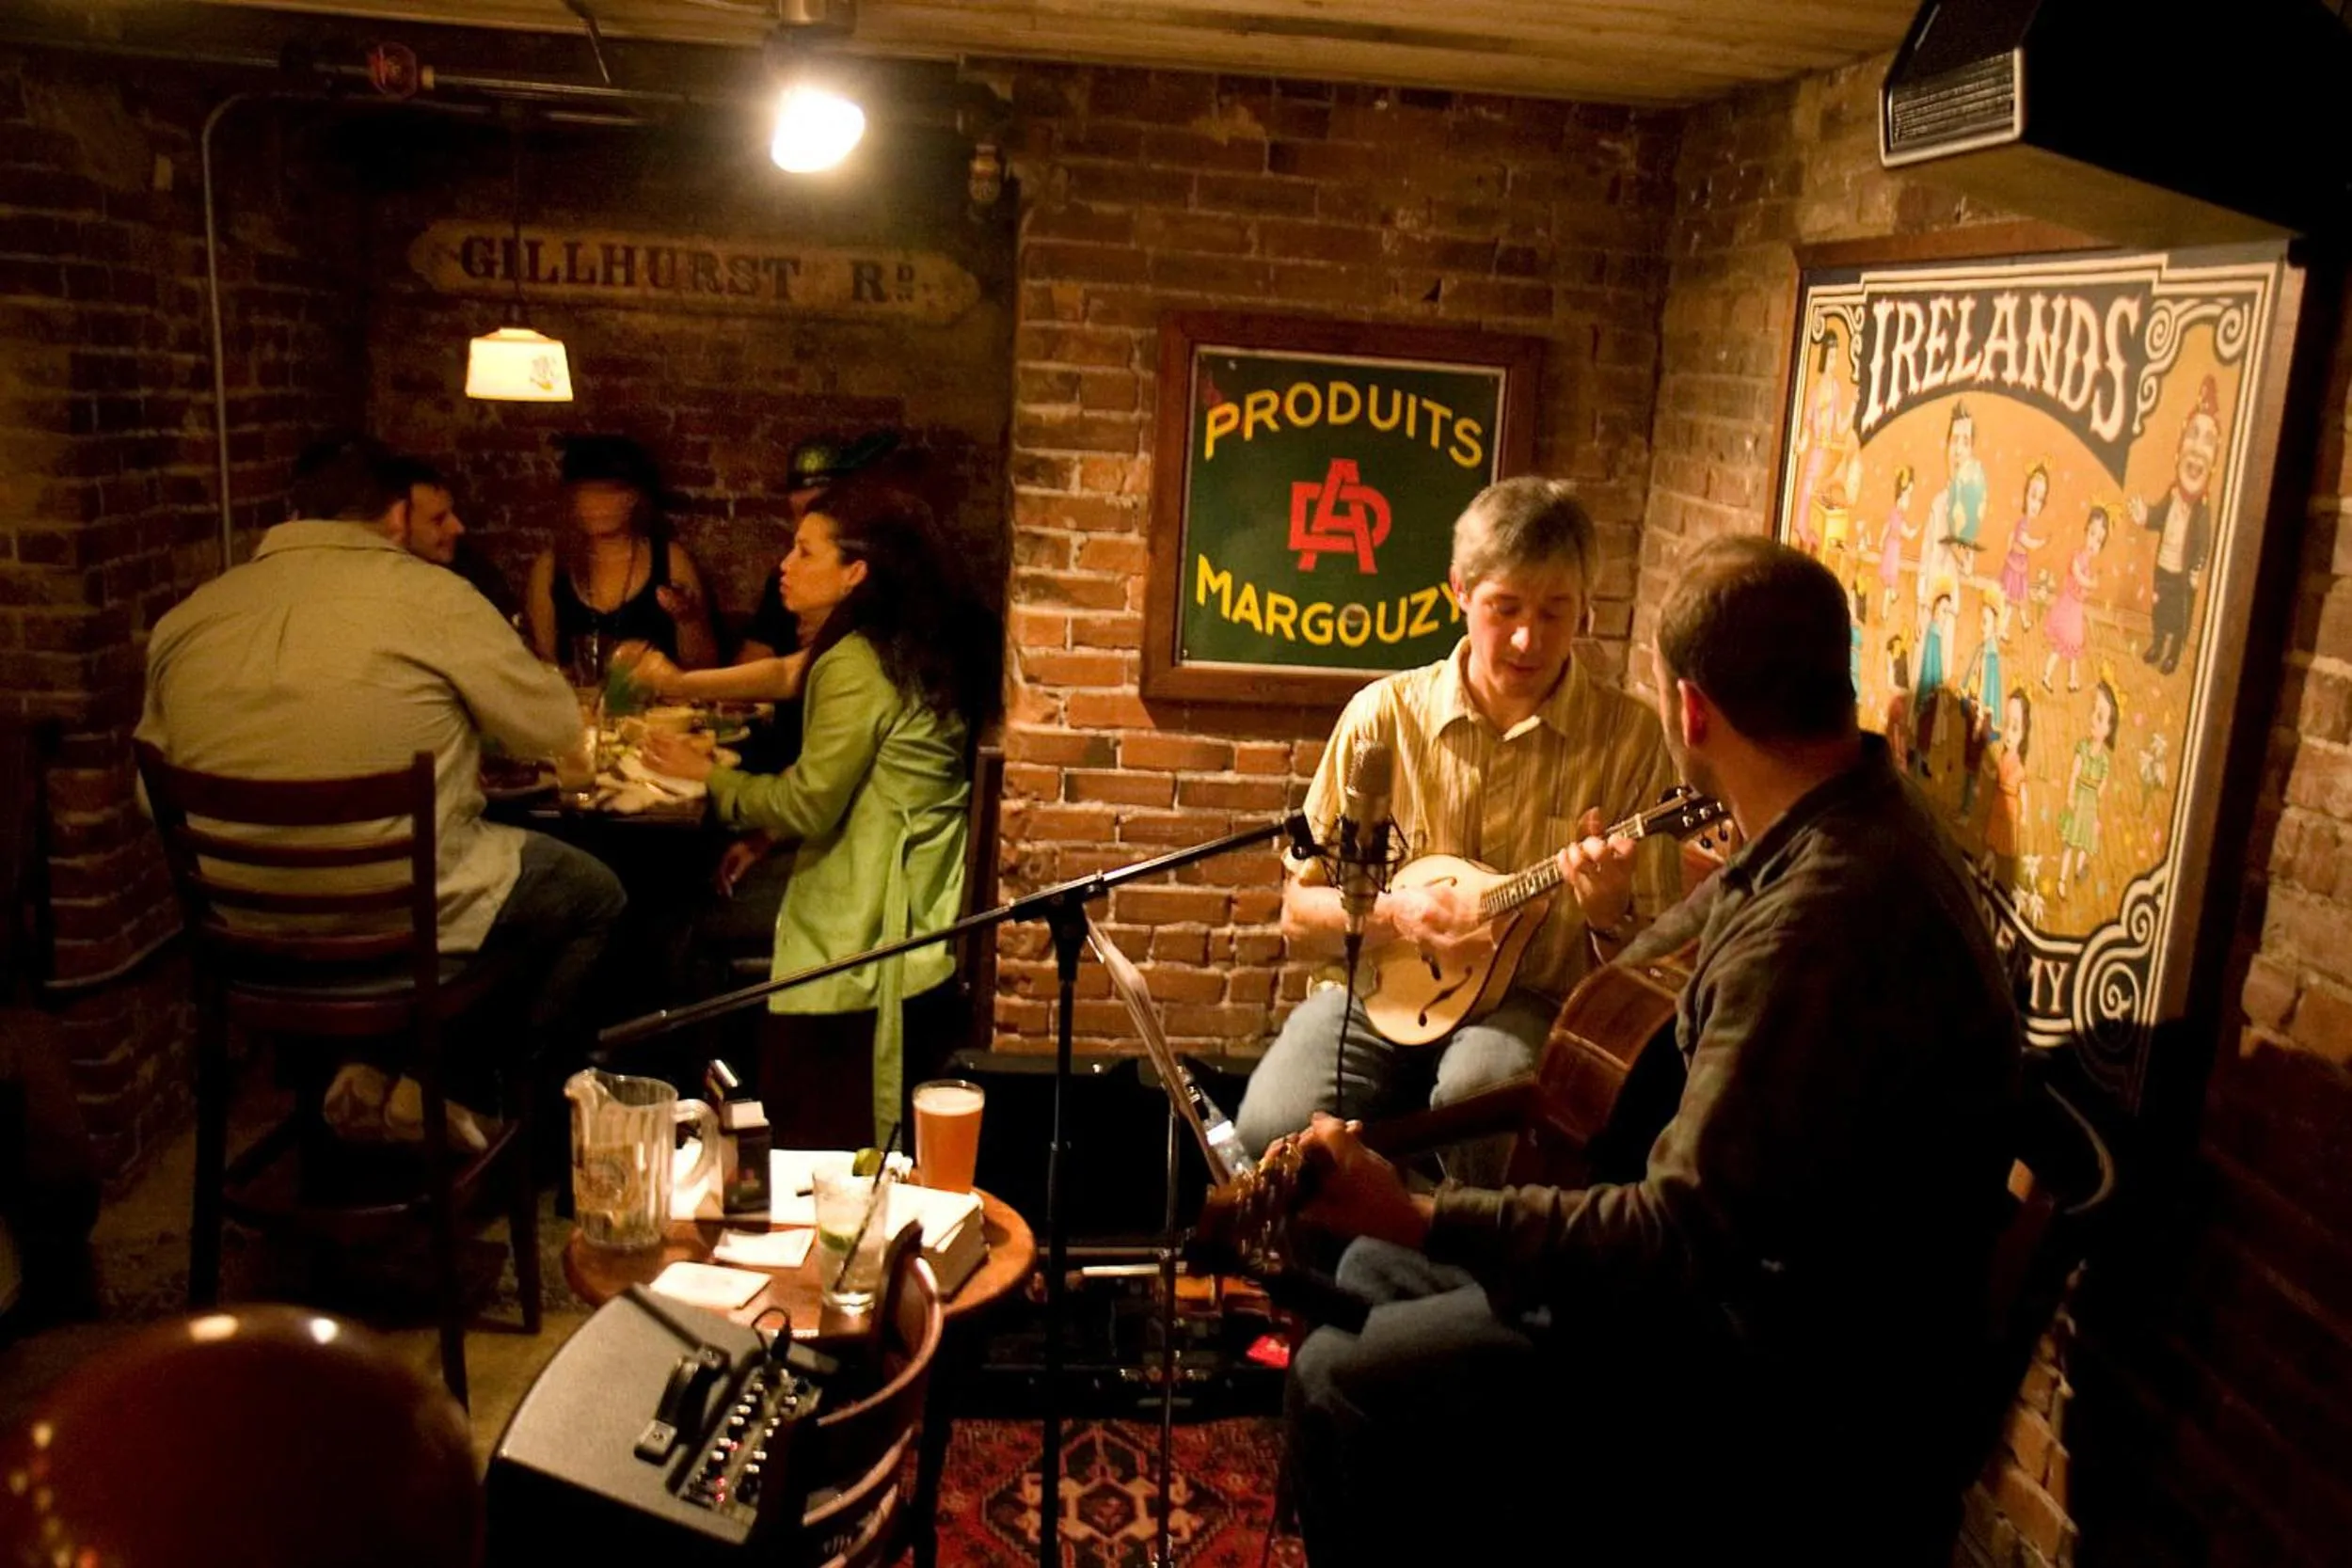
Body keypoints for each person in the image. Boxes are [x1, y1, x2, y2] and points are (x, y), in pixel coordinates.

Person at [1277, 535, 2023, 1566]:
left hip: (1783, 1369)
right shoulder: (1840, 816)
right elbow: (1646, 1007)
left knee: (1336, 1378)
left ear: (1691, 711)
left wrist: (1419, 1206)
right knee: (1366, 1270)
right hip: (1764, 1287)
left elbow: (1680, 1234)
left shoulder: (1821, 916)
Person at [136, 436, 626, 1147]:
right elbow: (551, 723)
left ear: (297, 511)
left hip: (245, 946)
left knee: (461, 885)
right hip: (400, 939)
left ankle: (370, 1077)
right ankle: (471, 1090)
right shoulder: (432, 597)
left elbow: (151, 799)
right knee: (592, 893)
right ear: (398, 515)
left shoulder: (188, 617)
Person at [1232, 478, 1680, 1184]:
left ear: (1585, 610)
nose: (1529, 638)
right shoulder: (1382, 719)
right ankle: (1338, 1274)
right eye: (1505, 608)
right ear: (1459, 592)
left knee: (1483, 1102)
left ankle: (1449, 1273)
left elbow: (1651, 967)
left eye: (1555, 611)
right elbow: (1299, 914)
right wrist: (1397, 916)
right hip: (1376, 992)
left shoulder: (1628, 739)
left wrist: (1606, 915)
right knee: (1269, 1125)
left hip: (1526, 1006)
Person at [642, 482, 1000, 1148]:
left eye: (805, 550)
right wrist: (767, 831)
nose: (784, 563)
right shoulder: (902, 643)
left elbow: (810, 799)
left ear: (855, 571)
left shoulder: (858, 660)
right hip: (914, 876)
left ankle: (712, 1131)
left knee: (679, 930)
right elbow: (848, 779)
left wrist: (711, 780)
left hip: (877, 903)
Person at [526, 435, 719, 677]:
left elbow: (703, 669)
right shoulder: (551, 567)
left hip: (657, 709)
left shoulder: (670, 560)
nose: (597, 505)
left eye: (611, 493)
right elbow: (543, 667)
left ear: (635, 498)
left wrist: (687, 620)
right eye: (586, 493)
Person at [2128, 375, 2222, 676]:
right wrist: (2145, 516)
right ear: (2179, 449)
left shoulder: (2202, 509)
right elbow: (2158, 517)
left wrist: (2197, 566)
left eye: (2207, 439)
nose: (2196, 450)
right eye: (2193, 436)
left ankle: (2173, 653)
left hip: (2184, 575)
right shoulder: (2171, 494)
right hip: (2164, 567)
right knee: (2160, 608)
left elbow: (2204, 542)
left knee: (2179, 616)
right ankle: (2157, 643)